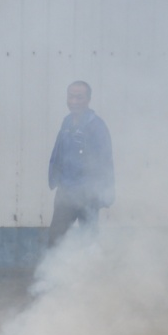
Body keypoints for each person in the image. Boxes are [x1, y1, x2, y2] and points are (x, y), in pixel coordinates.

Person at [47, 80, 114, 246]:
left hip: (88, 194)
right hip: (66, 192)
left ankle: (88, 271)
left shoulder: (97, 126)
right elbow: (59, 152)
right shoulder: (67, 122)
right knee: (55, 238)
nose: (74, 102)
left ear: (88, 100)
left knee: (88, 238)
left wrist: (105, 193)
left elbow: (105, 161)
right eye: (71, 97)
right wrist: (55, 178)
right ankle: (55, 270)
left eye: (79, 97)